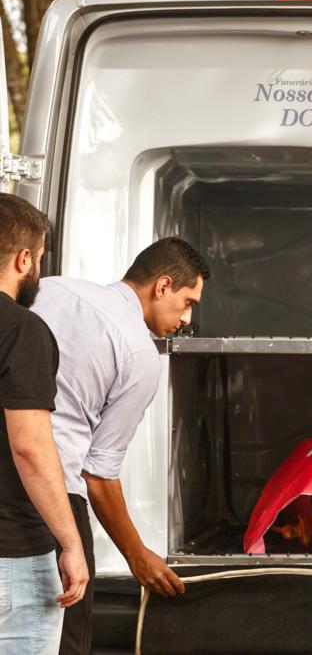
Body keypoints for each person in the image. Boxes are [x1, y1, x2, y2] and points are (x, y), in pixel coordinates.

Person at [32, 237, 209, 655]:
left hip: (12, 478)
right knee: (65, 638)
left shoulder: (51, 288)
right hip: (54, 501)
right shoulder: (138, 352)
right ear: (162, 286)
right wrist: (137, 556)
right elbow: (97, 475)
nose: (186, 319)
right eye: (188, 303)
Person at [0, 193, 88, 654]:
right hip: (10, 554)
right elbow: (30, 447)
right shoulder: (20, 329)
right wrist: (70, 544)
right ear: (24, 258)